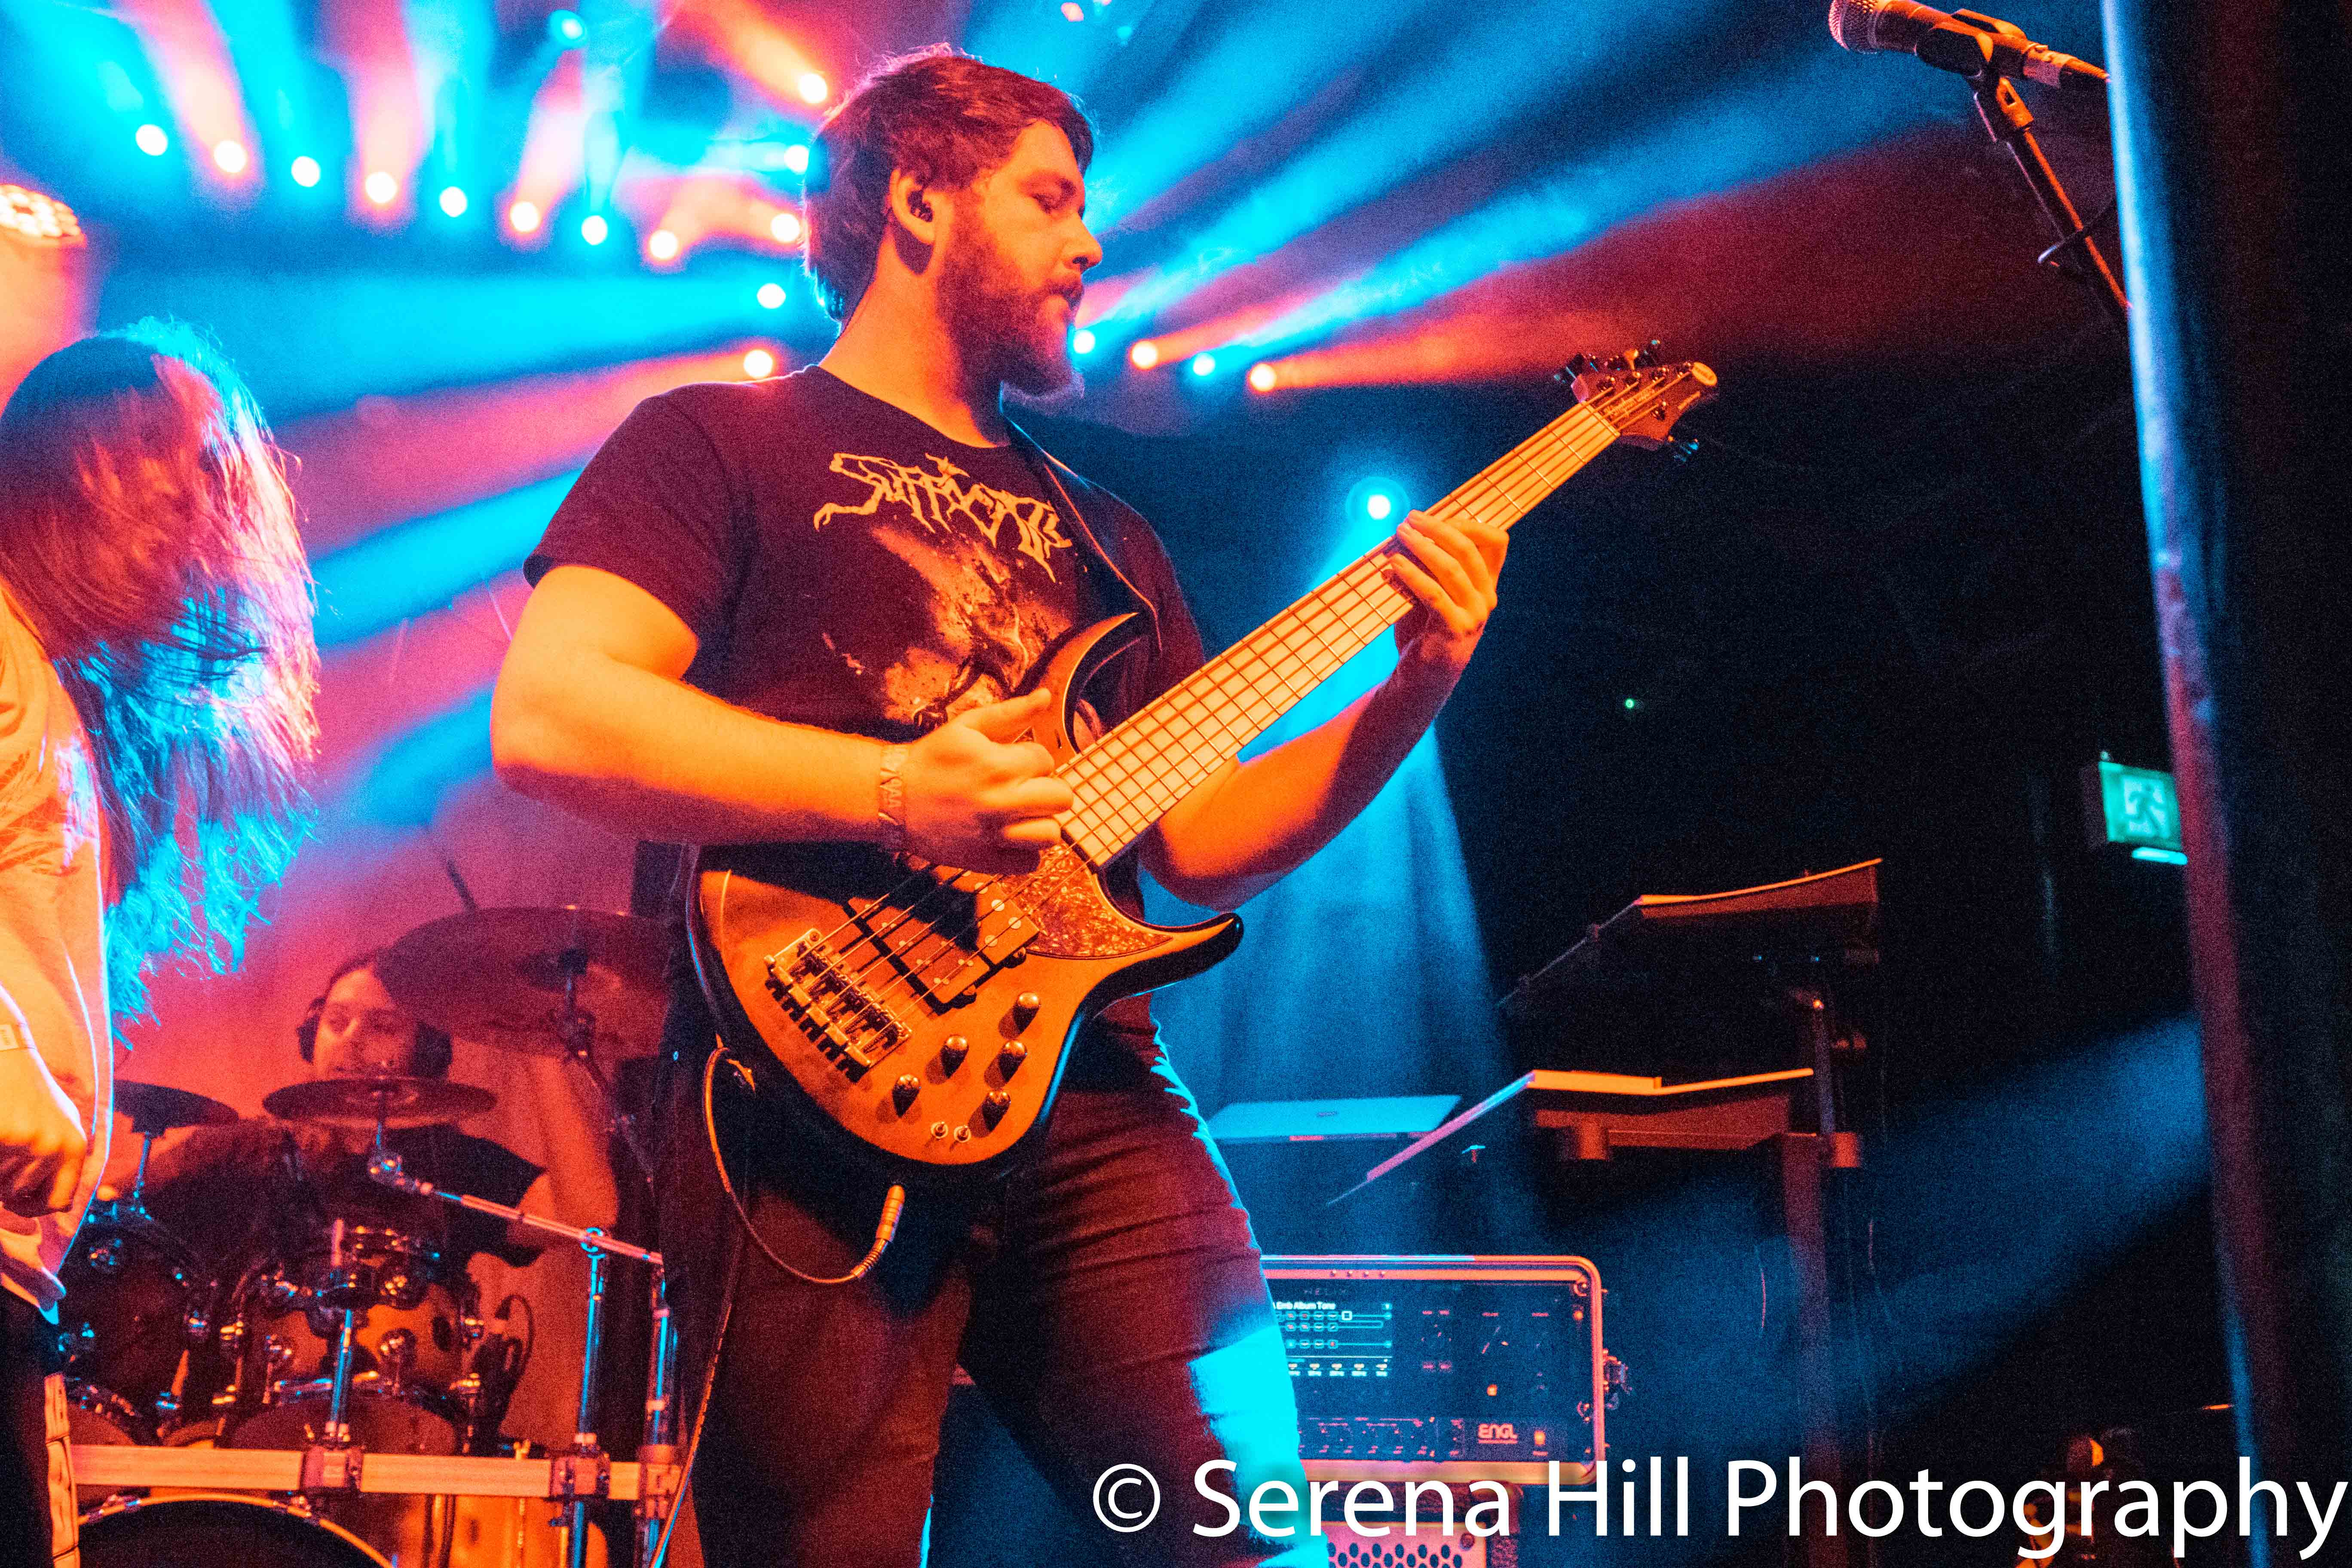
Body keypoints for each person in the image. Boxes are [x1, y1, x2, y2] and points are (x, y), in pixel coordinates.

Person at [490, 48, 1507, 1567]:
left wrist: (1413, 689)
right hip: (809, 1088)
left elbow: (1202, 845)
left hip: (1095, 1095)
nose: (1089, 243)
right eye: (1050, 200)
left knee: (1259, 1540)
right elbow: (552, 714)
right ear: (918, 200)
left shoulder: (1111, 536)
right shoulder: (714, 442)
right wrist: (898, 790)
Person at [0, 323, 317, 1568]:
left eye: (217, 468)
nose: (209, 501)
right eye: (182, 457)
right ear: (81, 462)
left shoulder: (46, 686)